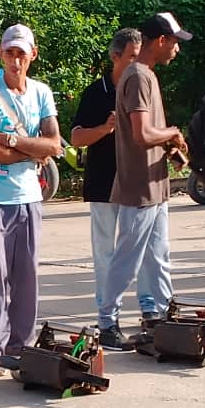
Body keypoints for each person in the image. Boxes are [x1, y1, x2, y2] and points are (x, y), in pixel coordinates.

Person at [0, 24, 63, 375]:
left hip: (29, 198)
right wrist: (29, 150)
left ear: (32, 55)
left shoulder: (41, 93)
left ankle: (20, 345)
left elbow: (54, 144)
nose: (16, 59)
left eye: (22, 53)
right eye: (10, 52)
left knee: (27, 276)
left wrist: (12, 141)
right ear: (0, 54)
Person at [97, 13, 190, 348]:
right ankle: (107, 322)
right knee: (128, 258)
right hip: (140, 186)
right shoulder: (138, 77)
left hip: (154, 185)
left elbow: (150, 135)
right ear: (161, 41)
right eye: (175, 41)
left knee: (158, 255)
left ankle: (164, 315)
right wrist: (174, 132)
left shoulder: (146, 75)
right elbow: (141, 134)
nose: (177, 49)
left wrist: (171, 145)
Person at [70, 28, 143, 313]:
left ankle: (144, 307)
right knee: (105, 252)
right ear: (115, 56)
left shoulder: (144, 86)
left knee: (136, 250)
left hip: (136, 183)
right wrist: (105, 128)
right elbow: (76, 138)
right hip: (103, 182)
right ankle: (107, 310)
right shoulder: (96, 92)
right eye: (132, 57)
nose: (136, 64)